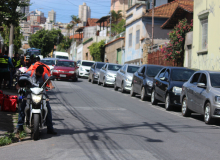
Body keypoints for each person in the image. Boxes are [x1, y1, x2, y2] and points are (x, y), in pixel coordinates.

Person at [15, 65, 57, 135]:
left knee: (48, 108)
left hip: (41, 93)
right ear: (36, 71)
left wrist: (50, 85)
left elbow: (48, 81)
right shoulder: (30, 73)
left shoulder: (44, 74)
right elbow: (22, 78)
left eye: (40, 75)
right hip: (30, 93)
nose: (39, 76)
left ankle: (50, 128)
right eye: (38, 75)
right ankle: (19, 126)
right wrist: (19, 84)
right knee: (22, 107)